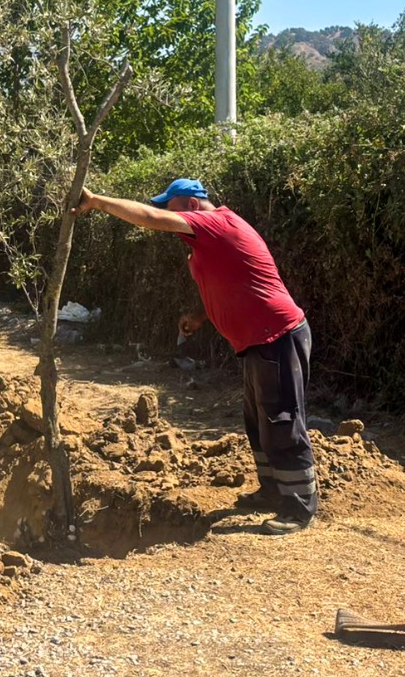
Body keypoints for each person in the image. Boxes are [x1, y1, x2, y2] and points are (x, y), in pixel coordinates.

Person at [74, 178, 317, 534]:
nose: (167, 216)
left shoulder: (214, 223)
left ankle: (298, 509)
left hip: (277, 335)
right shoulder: (211, 236)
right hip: (258, 340)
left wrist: (97, 201)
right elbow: (230, 280)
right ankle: (273, 492)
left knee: (282, 422)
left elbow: (149, 218)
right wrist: (201, 316)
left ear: (189, 205)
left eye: (170, 208)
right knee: (259, 422)